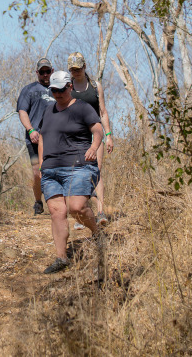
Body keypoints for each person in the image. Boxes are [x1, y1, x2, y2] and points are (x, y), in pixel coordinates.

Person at [37, 71, 104, 274]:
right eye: (54, 90)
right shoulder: (48, 111)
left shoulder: (82, 108)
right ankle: (61, 257)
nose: (58, 94)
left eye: (61, 90)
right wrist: (41, 164)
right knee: (57, 212)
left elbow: (98, 129)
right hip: (51, 170)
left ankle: (97, 233)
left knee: (76, 206)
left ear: (70, 87)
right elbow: (41, 137)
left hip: (78, 166)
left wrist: (93, 148)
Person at [67, 52, 115, 226]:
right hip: (74, 137)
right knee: (76, 174)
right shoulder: (68, 87)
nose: (76, 72)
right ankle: (83, 214)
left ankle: (101, 212)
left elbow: (103, 111)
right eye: (72, 69)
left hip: (95, 135)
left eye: (78, 68)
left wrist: (108, 135)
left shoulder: (95, 86)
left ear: (84, 66)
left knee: (96, 171)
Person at [17, 57, 56, 215]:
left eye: (48, 71)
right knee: (37, 172)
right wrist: (30, 130)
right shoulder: (29, 90)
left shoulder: (59, 89)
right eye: (42, 72)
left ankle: (57, 204)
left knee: (56, 170)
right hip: (34, 139)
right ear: (37, 73)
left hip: (55, 139)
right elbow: (22, 111)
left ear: (52, 71)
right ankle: (38, 202)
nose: (45, 75)